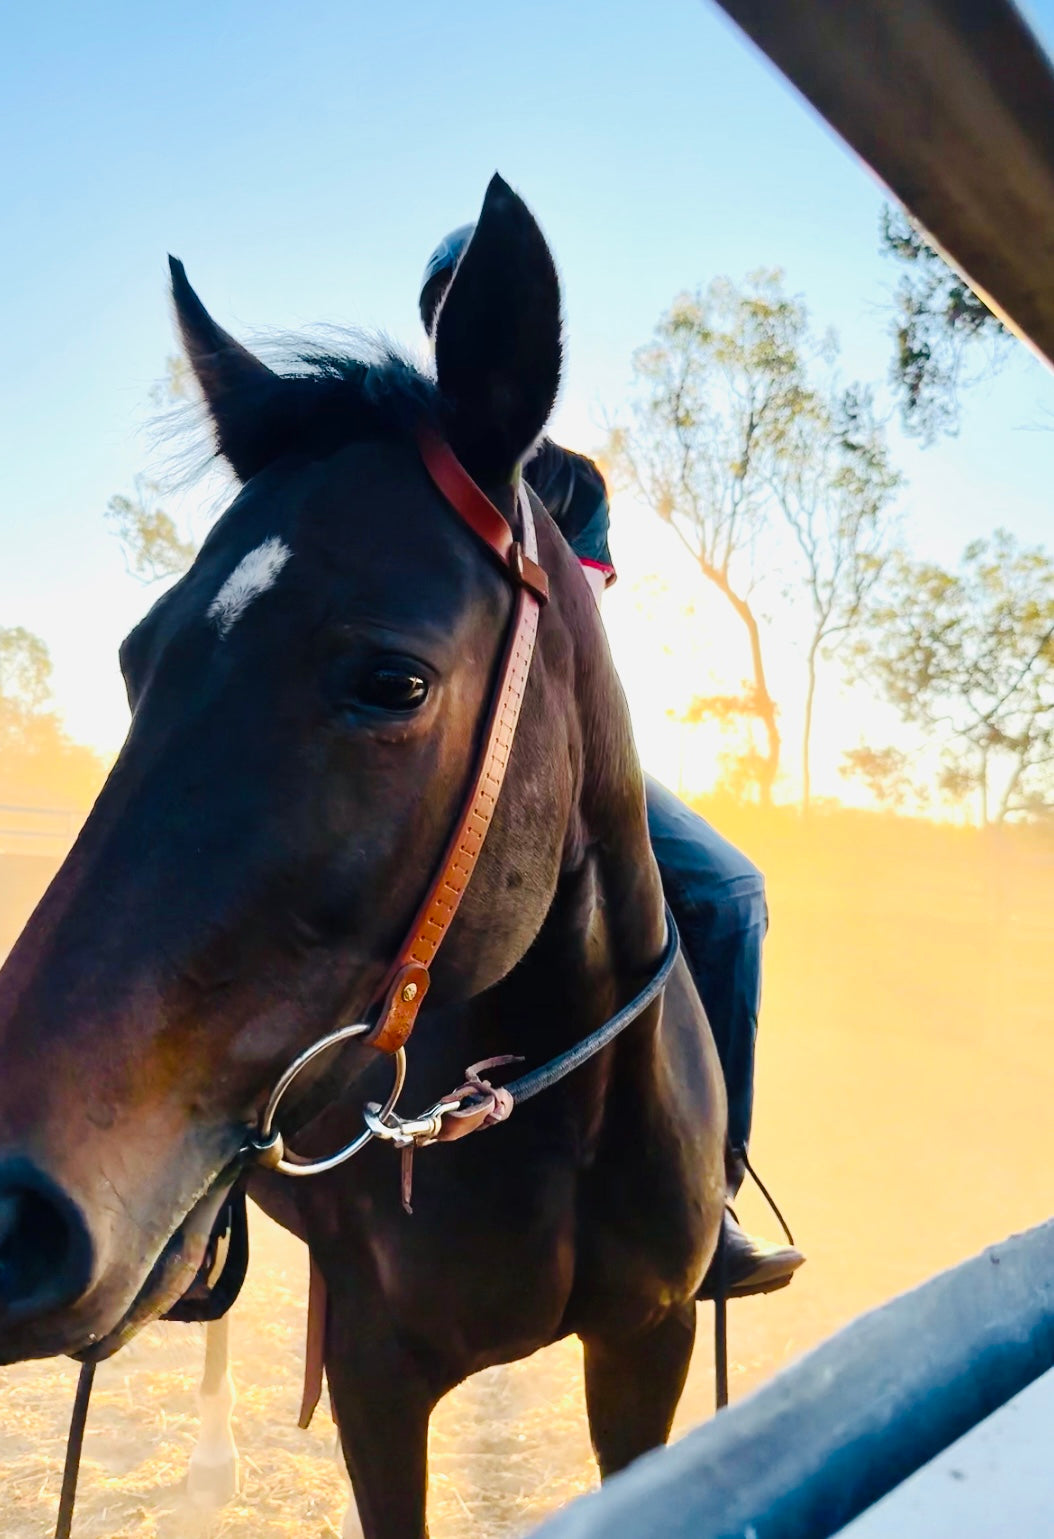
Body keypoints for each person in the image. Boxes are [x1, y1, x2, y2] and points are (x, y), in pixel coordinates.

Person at [420, 227, 805, 1298]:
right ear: (437, 328)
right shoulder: (390, 462)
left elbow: (564, 628)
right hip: (409, 745)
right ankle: (215, 1195)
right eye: (457, 306)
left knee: (728, 894)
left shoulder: (570, 484)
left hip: (561, 753)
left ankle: (707, 1192)